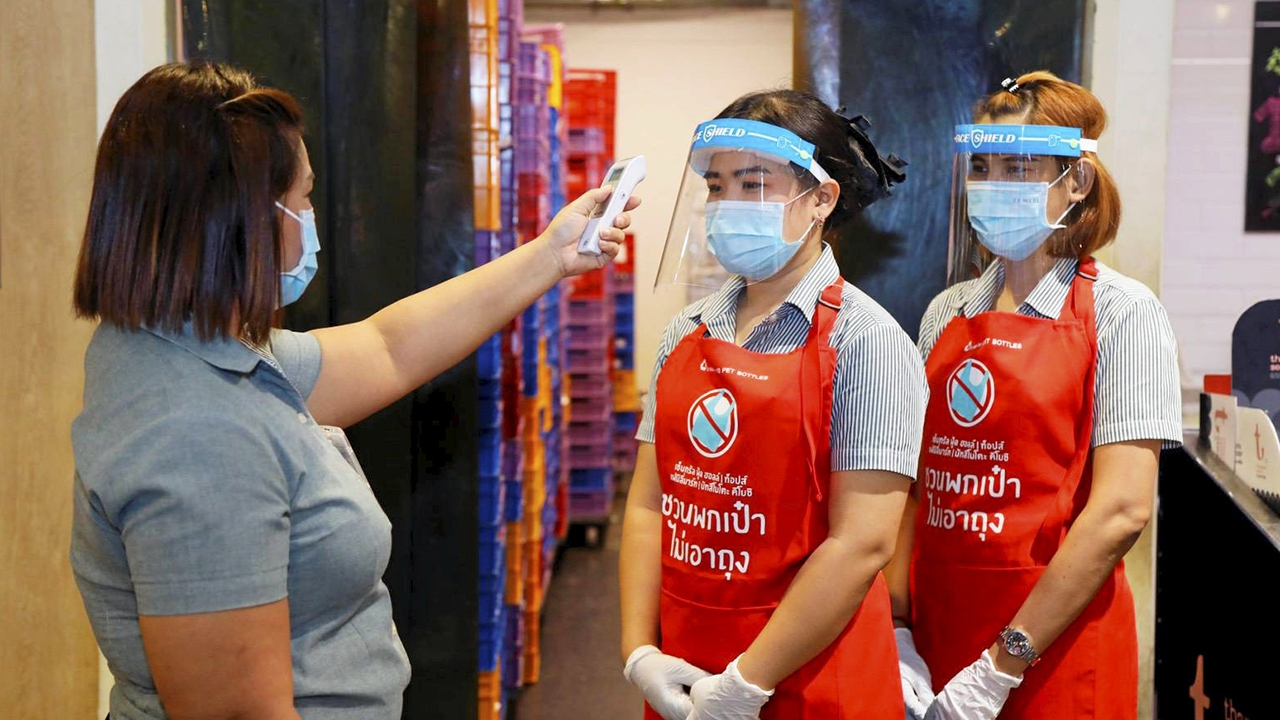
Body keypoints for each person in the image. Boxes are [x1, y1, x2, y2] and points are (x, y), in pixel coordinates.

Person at [69, 61, 637, 720]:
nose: (312, 218)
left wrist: (550, 255)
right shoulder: (198, 434)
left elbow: (385, 349)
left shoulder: (179, 345)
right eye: (304, 197)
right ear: (246, 214)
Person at [618, 89, 926, 720]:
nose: (728, 203)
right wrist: (639, 652)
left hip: (812, 678)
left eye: (753, 183)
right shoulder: (686, 333)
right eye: (717, 186)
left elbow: (861, 543)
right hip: (685, 668)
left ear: (821, 199)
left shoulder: (866, 342)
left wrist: (744, 684)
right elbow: (650, 504)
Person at [887, 72, 1182, 720]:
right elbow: (913, 486)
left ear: (1076, 182)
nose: (993, 185)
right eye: (983, 167)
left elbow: (1121, 511)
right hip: (937, 639)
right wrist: (899, 625)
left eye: (1018, 168)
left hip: (1055, 652)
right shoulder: (946, 312)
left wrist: (1001, 665)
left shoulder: (1123, 313)